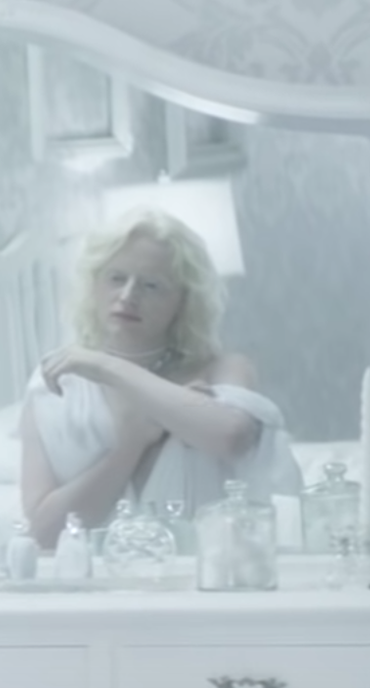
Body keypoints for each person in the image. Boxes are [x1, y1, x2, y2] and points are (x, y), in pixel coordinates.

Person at [18, 205, 302, 550]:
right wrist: (132, 446)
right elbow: (43, 533)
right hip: (101, 579)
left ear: (183, 301)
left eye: (151, 285)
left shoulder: (222, 368)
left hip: (206, 573)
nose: (128, 296)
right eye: (116, 278)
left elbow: (232, 438)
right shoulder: (55, 385)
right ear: (95, 284)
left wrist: (108, 367)